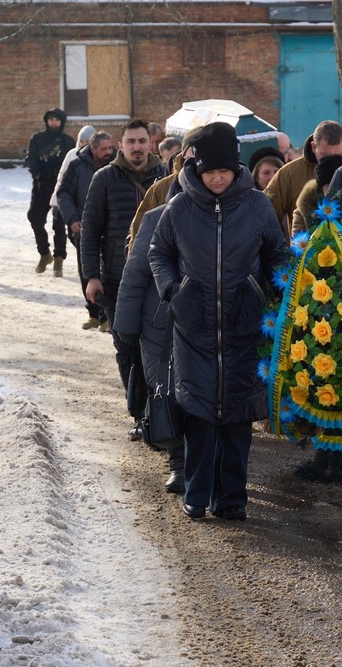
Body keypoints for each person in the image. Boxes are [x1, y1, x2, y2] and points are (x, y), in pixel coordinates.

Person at [148, 121, 289, 521]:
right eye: (210, 172)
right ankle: (197, 492)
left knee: (238, 417)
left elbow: (277, 253)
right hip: (194, 326)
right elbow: (158, 252)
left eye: (224, 171)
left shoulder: (257, 205)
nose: (217, 179)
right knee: (200, 414)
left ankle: (232, 498)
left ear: (235, 168)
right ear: (197, 168)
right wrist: (175, 290)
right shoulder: (179, 206)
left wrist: (271, 293)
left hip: (245, 324)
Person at [82, 119, 167, 421]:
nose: (137, 147)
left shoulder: (166, 176)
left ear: (151, 143)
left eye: (142, 141)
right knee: (126, 346)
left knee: (157, 347)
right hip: (117, 279)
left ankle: (158, 412)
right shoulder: (104, 179)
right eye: (131, 141)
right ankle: (138, 412)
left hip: (157, 279)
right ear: (121, 145)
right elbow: (90, 231)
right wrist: (91, 276)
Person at [114, 201, 185, 494]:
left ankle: (212, 466)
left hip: (214, 320)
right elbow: (135, 275)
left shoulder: (239, 209)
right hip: (162, 321)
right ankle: (179, 464)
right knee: (167, 390)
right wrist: (126, 327)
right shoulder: (158, 216)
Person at [57, 131, 115, 330]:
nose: (109, 152)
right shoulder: (77, 166)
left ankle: (106, 315)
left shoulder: (117, 165)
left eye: (110, 148)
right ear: (93, 149)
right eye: (104, 149)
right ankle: (93, 313)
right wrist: (72, 219)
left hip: (111, 229)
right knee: (87, 271)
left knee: (108, 271)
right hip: (83, 229)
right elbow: (63, 193)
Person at [264, 121, 342, 239]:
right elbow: (265, 217)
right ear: (314, 147)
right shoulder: (289, 174)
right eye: (326, 156)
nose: (332, 162)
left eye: (339, 154)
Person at [25, 108, 75, 273]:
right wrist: (38, 173)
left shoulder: (68, 141)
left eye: (57, 120)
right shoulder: (37, 138)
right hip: (40, 187)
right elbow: (30, 159)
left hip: (60, 188)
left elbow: (72, 163)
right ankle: (44, 253)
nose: (53, 123)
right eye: (51, 120)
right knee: (34, 218)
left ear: (62, 122)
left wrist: (59, 176)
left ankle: (59, 259)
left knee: (59, 224)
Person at [49, 124, 96, 279]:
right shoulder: (72, 155)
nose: (83, 144)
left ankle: (88, 263)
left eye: (87, 141)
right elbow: (61, 178)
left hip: (87, 202)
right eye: (81, 141)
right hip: (70, 201)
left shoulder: (99, 157)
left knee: (84, 235)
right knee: (72, 233)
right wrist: (57, 201)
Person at [291, 154, 342, 235]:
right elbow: (299, 243)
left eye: (340, 186)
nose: (335, 191)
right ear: (320, 187)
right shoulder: (303, 213)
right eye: (330, 186)